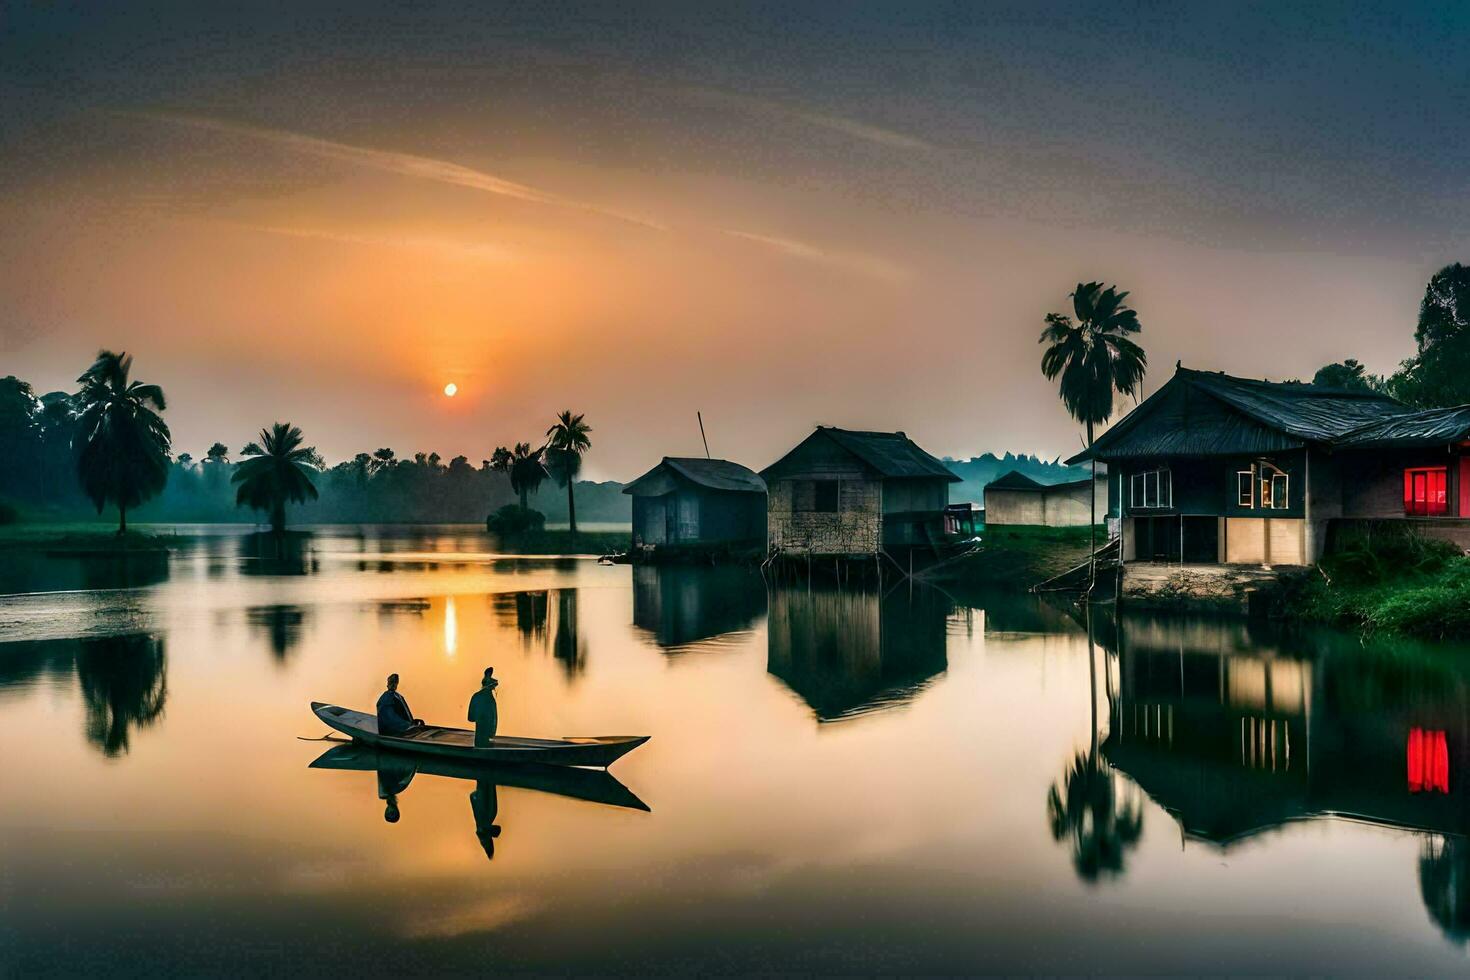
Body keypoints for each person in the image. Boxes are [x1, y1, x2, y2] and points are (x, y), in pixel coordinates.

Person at [468, 666, 500, 747]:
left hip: (478, 739)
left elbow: (470, 718)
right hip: (488, 739)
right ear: (491, 688)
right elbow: (494, 720)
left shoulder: (475, 696)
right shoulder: (491, 700)